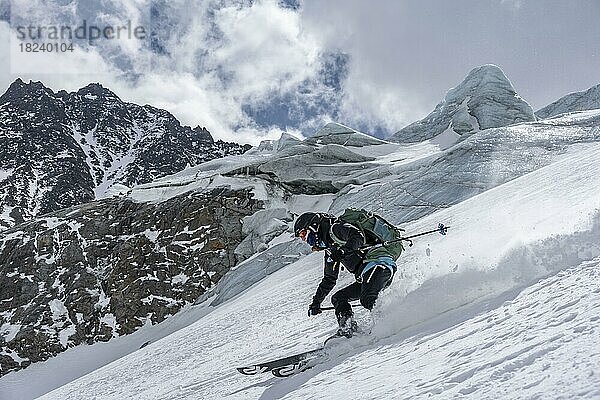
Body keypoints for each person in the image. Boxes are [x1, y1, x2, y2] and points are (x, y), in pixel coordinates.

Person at [293, 211, 399, 337]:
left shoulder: (336, 229)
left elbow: (358, 236)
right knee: (338, 298)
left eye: (304, 234)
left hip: (379, 264)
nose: (304, 239)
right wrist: (316, 302)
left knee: (368, 298)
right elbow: (329, 279)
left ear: (314, 227)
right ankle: (348, 329)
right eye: (301, 237)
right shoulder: (330, 249)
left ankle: (391, 324)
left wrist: (344, 251)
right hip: (366, 274)